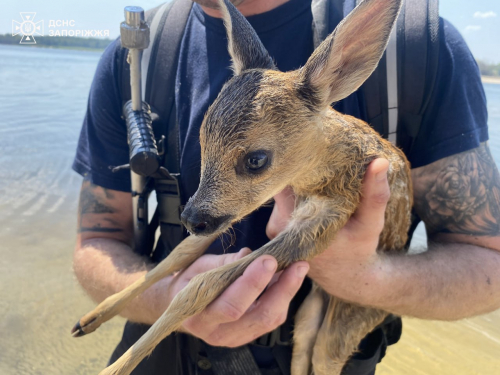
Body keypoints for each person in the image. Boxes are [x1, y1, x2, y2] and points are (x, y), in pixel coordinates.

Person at [72, 0, 500, 373]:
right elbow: (97, 239)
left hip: (328, 347)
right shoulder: (137, 57)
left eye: (256, 162)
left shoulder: (419, 48)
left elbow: (489, 266)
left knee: (323, 350)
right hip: (168, 361)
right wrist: (164, 299)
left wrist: (364, 278)